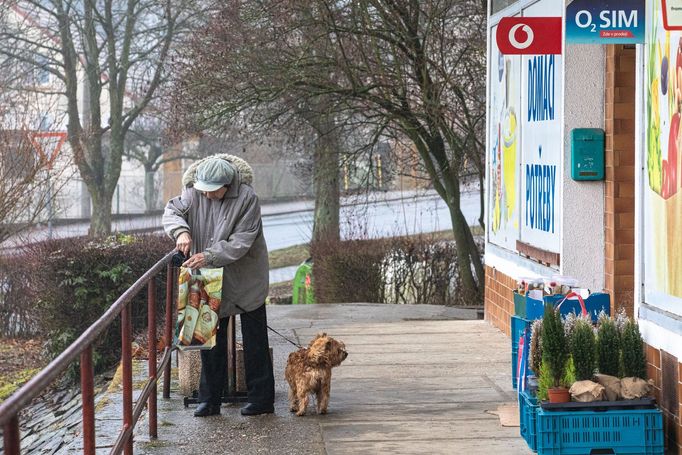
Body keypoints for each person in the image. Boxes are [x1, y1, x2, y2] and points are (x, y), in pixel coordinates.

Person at [163, 156, 275, 417]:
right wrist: (181, 231)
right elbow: (172, 211)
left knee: (255, 339)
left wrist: (209, 256)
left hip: (245, 276)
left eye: (213, 191)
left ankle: (261, 399)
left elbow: (242, 240)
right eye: (204, 190)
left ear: (228, 185)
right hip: (204, 273)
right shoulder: (193, 191)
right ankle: (209, 399)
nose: (207, 194)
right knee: (207, 340)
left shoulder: (248, 198)